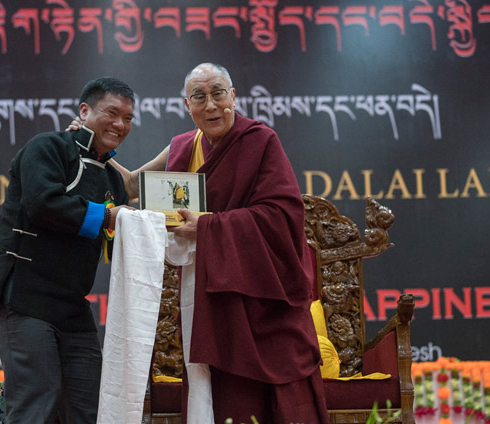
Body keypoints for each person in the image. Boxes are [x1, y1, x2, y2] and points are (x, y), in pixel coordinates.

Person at [74, 63, 329, 423]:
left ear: (234, 97)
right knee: (216, 390)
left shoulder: (260, 141)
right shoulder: (181, 147)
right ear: (187, 105)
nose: (211, 105)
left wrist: (210, 227)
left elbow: (283, 215)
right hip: (208, 292)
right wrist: (86, 143)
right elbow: (132, 185)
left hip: (258, 296)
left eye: (218, 93)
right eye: (199, 96)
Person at [0, 77, 135, 423]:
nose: (120, 124)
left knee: (90, 410)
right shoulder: (47, 147)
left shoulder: (112, 181)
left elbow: (117, 241)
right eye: (112, 113)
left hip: (74, 309)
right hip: (25, 299)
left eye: (128, 118)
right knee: (37, 406)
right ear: (84, 111)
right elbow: (43, 204)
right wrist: (108, 215)